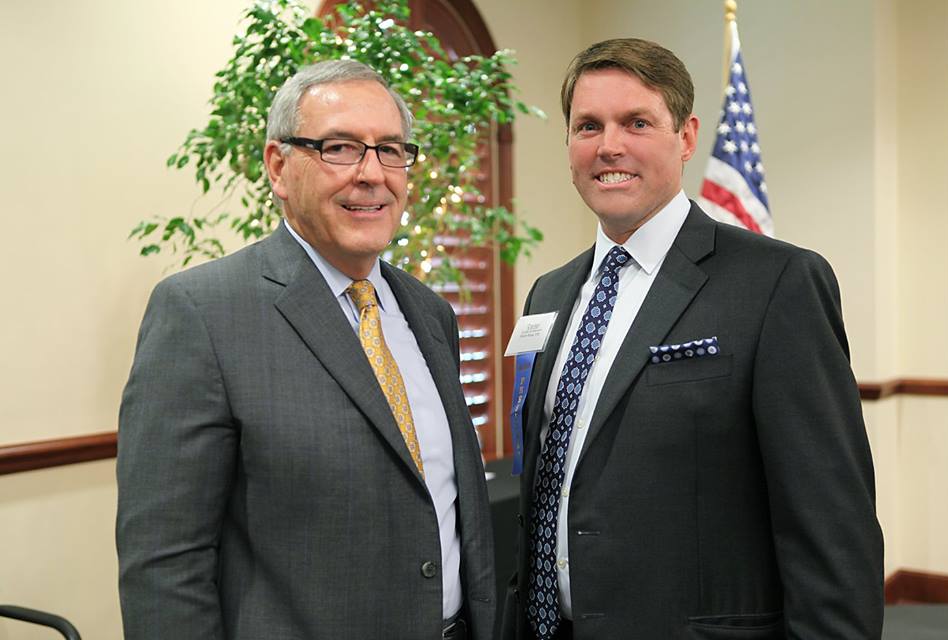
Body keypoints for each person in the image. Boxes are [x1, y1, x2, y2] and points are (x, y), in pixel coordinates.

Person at [500, 38, 883, 639]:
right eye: (588, 126)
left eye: (637, 122)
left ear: (685, 137)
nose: (609, 146)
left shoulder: (777, 283)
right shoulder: (548, 295)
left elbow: (832, 526)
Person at [117, 60, 494, 640]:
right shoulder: (203, 313)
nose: (372, 174)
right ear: (279, 166)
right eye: (340, 147)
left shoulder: (430, 313)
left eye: (391, 150)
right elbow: (164, 564)